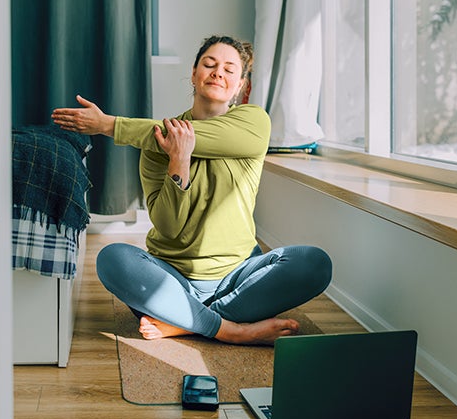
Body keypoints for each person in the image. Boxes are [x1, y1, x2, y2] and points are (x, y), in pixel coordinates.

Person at [52, 35, 332, 345]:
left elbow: (172, 133)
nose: (217, 73)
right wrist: (179, 162)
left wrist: (109, 125)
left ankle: (186, 322)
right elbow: (169, 228)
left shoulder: (254, 123)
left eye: (229, 69)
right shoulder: (156, 145)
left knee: (314, 263)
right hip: (174, 278)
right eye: (209, 65)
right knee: (112, 259)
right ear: (194, 74)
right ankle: (232, 329)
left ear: (241, 86)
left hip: (238, 275)